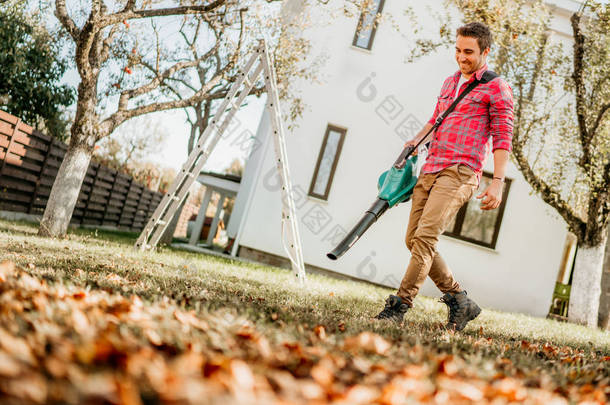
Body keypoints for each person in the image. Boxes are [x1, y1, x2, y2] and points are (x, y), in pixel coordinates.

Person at [374, 22, 514, 331]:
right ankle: (459, 300)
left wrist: (498, 182)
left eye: (468, 52)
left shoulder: (496, 87)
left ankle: (399, 306)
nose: (461, 57)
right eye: (458, 50)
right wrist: (415, 142)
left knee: (425, 239)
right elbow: (435, 120)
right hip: (431, 166)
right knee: (412, 239)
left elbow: (503, 138)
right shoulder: (450, 82)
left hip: (461, 172)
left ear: (485, 51)